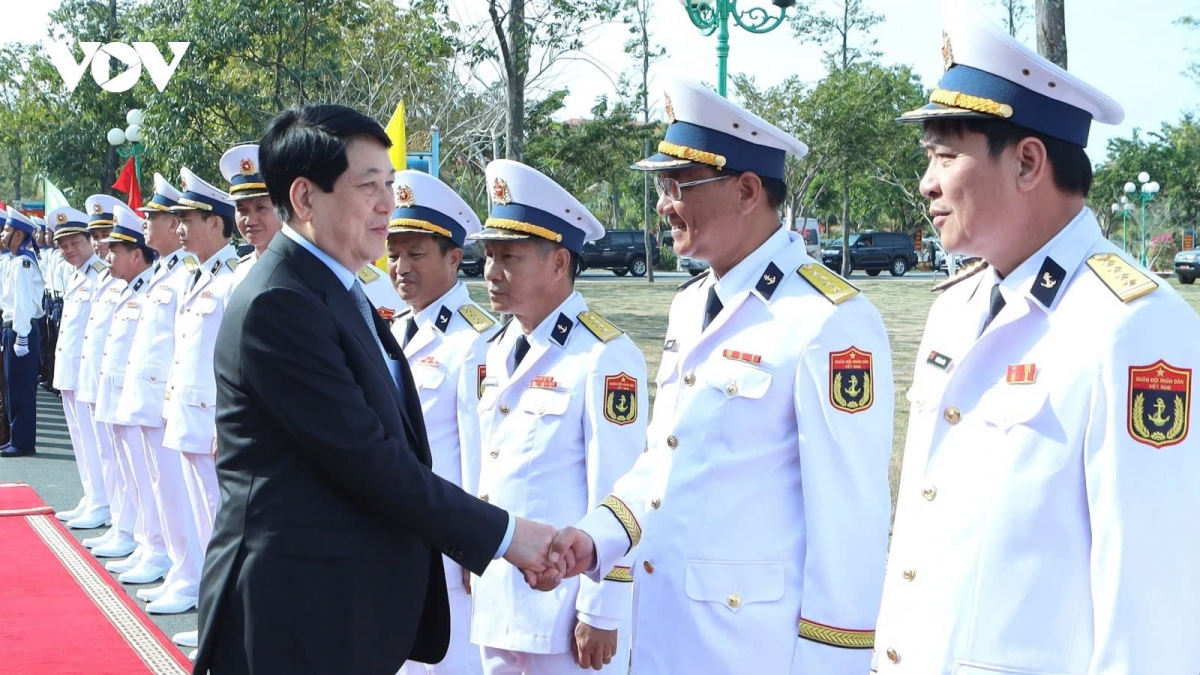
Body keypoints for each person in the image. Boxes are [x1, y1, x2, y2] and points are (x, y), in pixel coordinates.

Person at [868, 6, 1200, 674]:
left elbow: (1150, 605)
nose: (927, 182)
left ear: (1027, 161)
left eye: (945, 155)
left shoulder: (1133, 325)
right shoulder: (956, 307)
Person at [545, 78, 896, 674]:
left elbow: (850, 522)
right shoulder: (691, 303)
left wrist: (829, 665)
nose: (662, 204)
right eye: (661, 186)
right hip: (667, 634)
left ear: (747, 190)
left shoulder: (827, 321)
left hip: (752, 648)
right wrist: (597, 536)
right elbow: (665, 459)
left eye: (677, 186)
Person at [194, 103, 559, 675]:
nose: (387, 203)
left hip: (338, 608)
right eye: (368, 186)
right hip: (292, 615)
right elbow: (367, 459)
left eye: (388, 183)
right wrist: (507, 535)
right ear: (305, 198)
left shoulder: (332, 283)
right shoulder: (281, 302)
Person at [469, 159, 647, 675]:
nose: (492, 272)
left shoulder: (603, 356)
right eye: (489, 256)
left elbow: (620, 491)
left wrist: (603, 608)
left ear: (558, 262)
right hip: (500, 597)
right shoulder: (497, 348)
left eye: (510, 257)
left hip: (567, 610)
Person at [387, 170, 498, 675]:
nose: (400, 267)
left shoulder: (477, 341)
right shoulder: (393, 329)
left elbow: (480, 455)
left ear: (455, 258)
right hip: (395, 534)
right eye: (393, 253)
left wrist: (473, 549)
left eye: (416, 254)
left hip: (448, 550)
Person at [148, 166, 239, 618]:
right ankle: (206, 603)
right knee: (199, 518)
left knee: (218, 525)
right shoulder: (194, 276)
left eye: (188, 221)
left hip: (212, 423)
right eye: (177, 221)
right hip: (186, 415)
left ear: (217, 224)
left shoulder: (231, 280)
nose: (179, 229)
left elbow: (234, 364)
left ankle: (224, 616)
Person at [114, 175, 204, 626]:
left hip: (180, 402)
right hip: (161, 399)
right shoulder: (167, 272)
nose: (149, 224)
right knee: (162, 487)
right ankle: (171, 561)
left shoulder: (192, 271)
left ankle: (189, 574)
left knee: (181, 494)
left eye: (159, 218)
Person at [94, 204, 171, 587]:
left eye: (115, 250)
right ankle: (144, 540)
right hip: (130, 396)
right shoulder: (143, 285)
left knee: (157, 479)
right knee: (136, 475)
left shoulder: (160, 282)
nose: (107, 257)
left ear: (135, 254)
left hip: (155, 401)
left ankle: (159, 550)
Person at [75, 195, 135, 559]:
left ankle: (126, 525)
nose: (100, 243)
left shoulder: (125, 279)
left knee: (132, 465)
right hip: (100, 376)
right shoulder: (105, 278)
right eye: (96, 235)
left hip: (128, 385)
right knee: (105, 450)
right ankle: (110, 510)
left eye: (106, 236)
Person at [48, 205, 112, 527]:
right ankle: (91, 495)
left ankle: (103, 502)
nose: (69, 250)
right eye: (63, 245)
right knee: (80, 437)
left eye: (75, 242)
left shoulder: (102, 274)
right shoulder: (76, 276)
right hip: (71, 370)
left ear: (89, 240)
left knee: (97, 441)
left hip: (90, 372)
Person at [1, 207, 46, 457]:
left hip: (22, 331)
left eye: (7, 230)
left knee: (21, 387)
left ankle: (23, 440)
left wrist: (20, 336)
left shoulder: (22, 264)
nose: (3, 234)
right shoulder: (17, 261)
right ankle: (18, 436)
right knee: (14, 385)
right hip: (16, 331)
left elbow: (22, 304)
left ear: (19, 235)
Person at [219, 144, 284, 289]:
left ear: (281, 208)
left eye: (260, 208)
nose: (250, 220)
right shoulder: (241, 270)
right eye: (242, 210)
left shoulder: (300, 271)